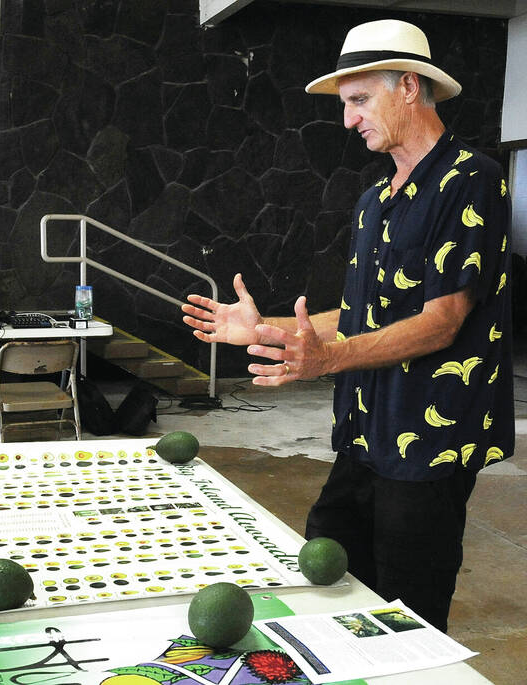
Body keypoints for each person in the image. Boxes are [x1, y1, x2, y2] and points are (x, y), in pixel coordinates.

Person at [182, 19, 513, 633]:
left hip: (429, 444)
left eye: (359, 100)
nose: (347, 119)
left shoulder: (471, 179)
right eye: (345, 104)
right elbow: (360, 316)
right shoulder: (373, 203)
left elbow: (442, 322)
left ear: (408, 87)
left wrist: (327, 360)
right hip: (363, 434)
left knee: (408, 609)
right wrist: (266, 329)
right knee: (331, 570)